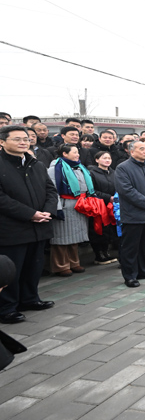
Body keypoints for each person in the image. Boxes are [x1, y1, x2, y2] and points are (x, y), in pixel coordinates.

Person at [0, 126, 58, 324]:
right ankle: (7, 308)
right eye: (17, 139)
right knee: (11, 270)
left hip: (39, 226)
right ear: (2, 142)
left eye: (25, 139)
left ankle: (30, 299)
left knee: (34, 266)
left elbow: (51, 190)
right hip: (12, 228)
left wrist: (48, 211)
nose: (23, 142)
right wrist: (30, 214)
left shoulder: (36, 164)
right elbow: (2, 199)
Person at [114, 141, 145, 288]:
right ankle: (129, 275)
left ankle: (143, 270)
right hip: (133, 214)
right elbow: (126, 190)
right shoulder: (123, 168)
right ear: (131, 151)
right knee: (130, 247)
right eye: (141, 149)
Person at [47, 144, 94, 276]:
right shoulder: (54, 168)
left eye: (78, 152)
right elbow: (52, 190)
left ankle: (74, 262)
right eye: (74, 152)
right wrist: (57, 208)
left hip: (80, 205)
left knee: (75, 236)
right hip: (65, 204)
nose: (77, 154)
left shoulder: (79, 167)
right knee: (61, 238)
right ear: (64, 154)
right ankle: (60, 266)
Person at [87, 151, 119, 264]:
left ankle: (106, 252)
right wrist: (107, 197)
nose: (107, 160)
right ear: (97, 160)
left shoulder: (114, 173)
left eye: (109, 158)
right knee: (98, 229)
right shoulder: (92, 173)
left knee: (110, 230)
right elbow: (92, 191)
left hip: (113, 205)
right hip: (99, 205)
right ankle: (98, 254)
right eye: (104, 158)